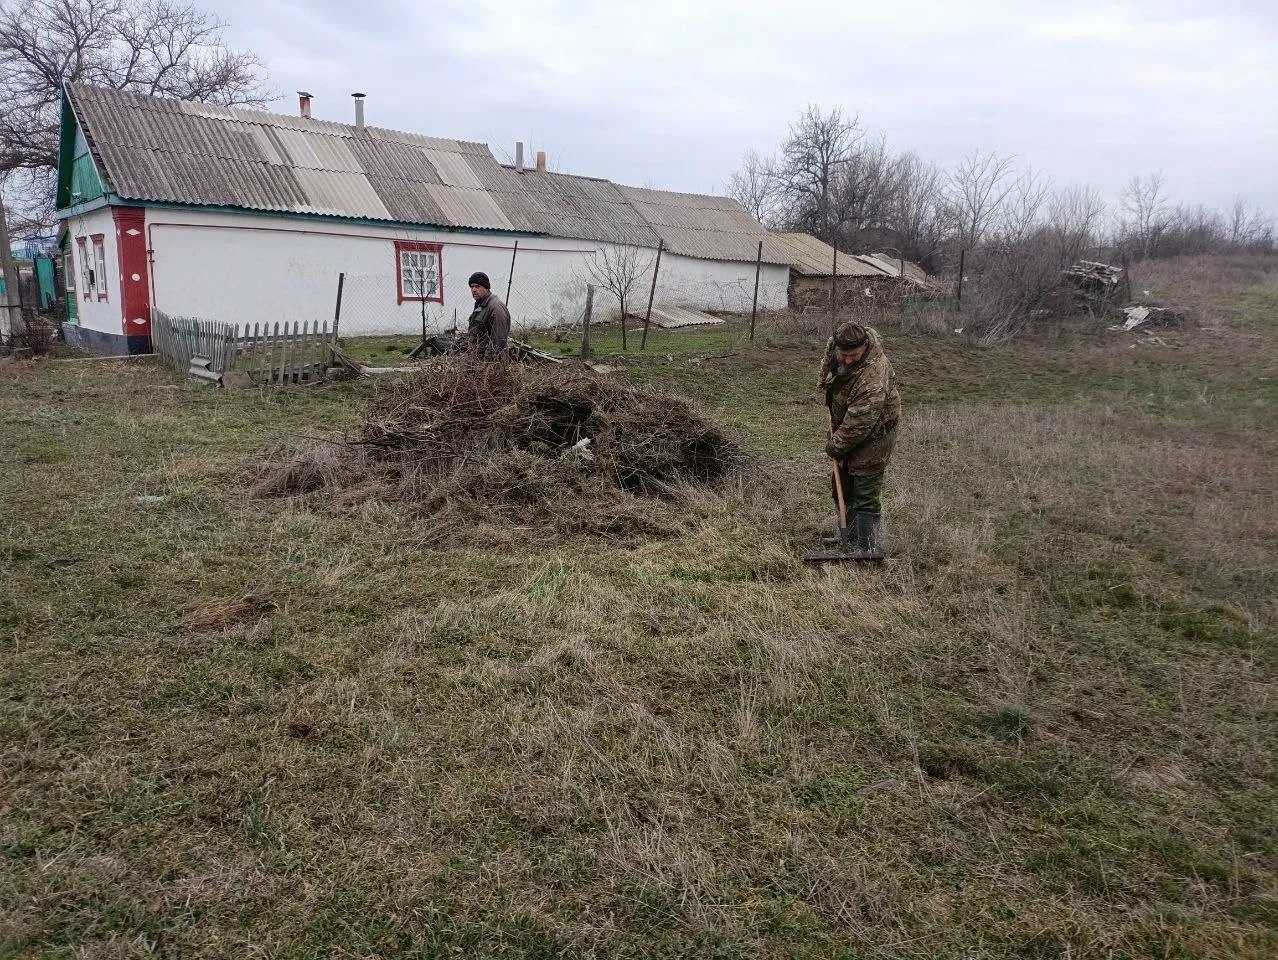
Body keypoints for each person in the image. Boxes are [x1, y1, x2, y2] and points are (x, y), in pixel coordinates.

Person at [818, 320, 901, 559]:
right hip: (846, 423)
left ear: (864, 347)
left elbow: (859, 424)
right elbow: (829, 364)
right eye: (843, 355)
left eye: (853, 355)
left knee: (864, 487)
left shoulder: (874, 376)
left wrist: (834, 446)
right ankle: (850, 535)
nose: (847, 360)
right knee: (842, 483)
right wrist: (825, 381)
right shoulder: (835, 345)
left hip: (875, 433)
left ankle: (867, 547)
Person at [463, 271, 511, 357]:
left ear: (486, 287)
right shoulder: (481, 304)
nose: (474, 290)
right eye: (472, 287)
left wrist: (487, 362)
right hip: (477, 358)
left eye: (477, 286)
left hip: (490, 361)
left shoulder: (495, 308)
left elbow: (498, 344)